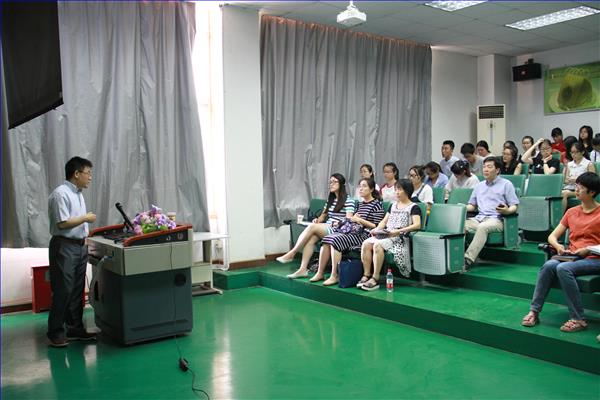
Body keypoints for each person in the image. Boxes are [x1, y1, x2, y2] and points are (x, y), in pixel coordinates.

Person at [521, 172, 600, 332]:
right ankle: (534, 311)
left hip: (594, 258)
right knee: (548, 265)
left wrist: (588, 249)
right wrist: (558, 246)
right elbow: (552, 236)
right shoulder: (572, 212)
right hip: (572, 256)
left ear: (592, 192)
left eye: (581, 187)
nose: (576, 190)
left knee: (563, 268)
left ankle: (578, 318)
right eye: (576, 186)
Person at [47, 157, 97, 347]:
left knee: (77, 290)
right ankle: (55, 332)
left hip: (79, 246)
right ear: (76, 174)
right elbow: (62, 223)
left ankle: (75, 328)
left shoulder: (78, 194)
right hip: (64, 246)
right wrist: (85, 218)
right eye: (88, 173)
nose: (90, 177)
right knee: (63, 290)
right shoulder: (61, 194)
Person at [278, 173, 355, 278]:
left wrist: (336, 223)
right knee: (311, 239)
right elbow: (323, 217)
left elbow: (349, 219)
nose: (331, 184)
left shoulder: (349, 200)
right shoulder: (331, 200)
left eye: (334, 182)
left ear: (341, 184)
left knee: (311, 228)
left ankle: (292, 253)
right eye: (330, 182)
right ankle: (302, 269)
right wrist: (317, 220)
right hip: (328, 226)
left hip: (338, 229)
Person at [311, 178, 385, 286]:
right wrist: (346, 221)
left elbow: (376, 226)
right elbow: (352, 219)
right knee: (327, 239)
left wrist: (359, 220)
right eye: (360, 186)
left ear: (371, 189)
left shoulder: (377, 204)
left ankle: (334, 275)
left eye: (364, 186)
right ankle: (320, 273)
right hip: (352, 231)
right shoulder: (359, 204)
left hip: (364, 234)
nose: (361, 189)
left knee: (335, 240)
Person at [359, 179, 422, 291]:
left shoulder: (414, 207)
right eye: (396, 189)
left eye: (400, 189)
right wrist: (377, 229)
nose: (397, 192)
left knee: (377, 245)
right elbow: (384, 222)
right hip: (387, 234)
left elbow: (417, 225)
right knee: (366, 243)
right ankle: (366, 275)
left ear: (407, 191)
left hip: (399, 238)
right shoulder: (392, 205)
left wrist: (398, 231)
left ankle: (375, 278)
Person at [464, 157, 519, 268]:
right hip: (479, 218)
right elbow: (472, 206)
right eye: (484, 167)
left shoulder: (506, 184)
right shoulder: (479, 186)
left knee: (483, 227)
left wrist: (507, 210)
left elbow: (514, 206)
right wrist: (461, 208)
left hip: (497, 220)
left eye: (489, 167)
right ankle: (456, 256)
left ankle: (467, 260)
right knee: (460, 225)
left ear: (497, 170)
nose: (485, 169)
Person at [562, 142, 596, 211]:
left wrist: (577, 180)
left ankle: (559, 216)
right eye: (572, 152)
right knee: (559, 193)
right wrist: (569, 180)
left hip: (582, 190)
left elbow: (593, 181)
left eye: (576, 152)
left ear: (582, 152)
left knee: (564, 193)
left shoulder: (588, 164)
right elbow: (565, 180)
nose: (573, 154)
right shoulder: (569, 164)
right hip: (569, 187)